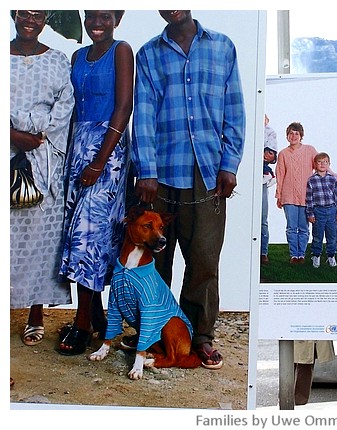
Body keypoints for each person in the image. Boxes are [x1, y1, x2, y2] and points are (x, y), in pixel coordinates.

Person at [131, 10, 246, 369]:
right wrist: (146, 170)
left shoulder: (223, 47)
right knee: (155, 261)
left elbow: (235, 110)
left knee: (204, 260)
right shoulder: (149, 53)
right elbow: (145, 113)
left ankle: (201, 337)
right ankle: (152, 334)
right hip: (161, 174)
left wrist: (230, 164)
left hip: (209, 174)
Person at [57, 10, 133, 356]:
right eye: (91, 17)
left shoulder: (121, 50)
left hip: (108, 148)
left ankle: (83, 324)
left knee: (91, 232)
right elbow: (72, 108)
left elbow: (124, 106)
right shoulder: (77, 55)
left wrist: (100, 160)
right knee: (81, 233)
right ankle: (98, 313)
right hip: (78, 146)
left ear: (117, 17)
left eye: (105, 17)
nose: (96, 23)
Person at [10, 10, 74, 348]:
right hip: (7, 153)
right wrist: (11, 133)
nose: (30, 19)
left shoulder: (59, 60)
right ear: (13, 14)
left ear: (46, 18)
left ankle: (35, 314)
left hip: (44, 159)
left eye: (38, 13)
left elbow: (64, 109)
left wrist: (29, 130)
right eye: (24, 12)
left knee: (40, 239)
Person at [275, 122, 337, 264]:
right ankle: (294, 255)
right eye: (291, 133)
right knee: (291, 227)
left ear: (301, 136)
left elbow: (322, 165)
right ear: (287, 136)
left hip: (307, 196)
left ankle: (302, 255)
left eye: (296, 133)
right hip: (288, 195)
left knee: (304, 228)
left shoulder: (310, 150)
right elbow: (280, 175)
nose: (294, 136)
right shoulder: (283, 154)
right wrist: (279, 195)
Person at [306, 152, 337, 268]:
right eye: (319, 162)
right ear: (315, 164)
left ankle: (331, 255)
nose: (322, 164)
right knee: (317, 236)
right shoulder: (311, 180)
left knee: (332, 236)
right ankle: (316, 255)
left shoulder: (332, 179)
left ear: (329, 164)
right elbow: (309, 198)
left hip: (331, 211)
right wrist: (310, 213)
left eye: (325, 162)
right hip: (318, 211)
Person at [261, 115, 278, 265]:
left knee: (262, 218)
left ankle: (263, 251)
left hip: (262, 180)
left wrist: (266, 154)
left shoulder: (270, 132)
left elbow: (272, 155)